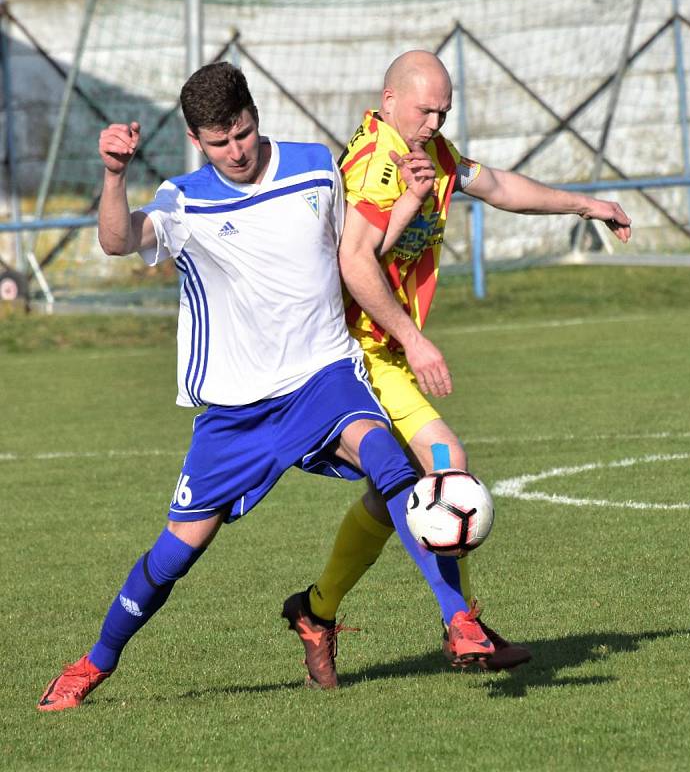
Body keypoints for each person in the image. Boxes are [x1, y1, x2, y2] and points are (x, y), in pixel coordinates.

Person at [36, 61, 505, 711]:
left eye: (243, 133)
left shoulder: (315, 166)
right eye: (218, 141)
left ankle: (457, 620)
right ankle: (94, 663)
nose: (234, 151)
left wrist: (407, 202)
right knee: (177, 552)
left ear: (255, 117)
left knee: (389, 462)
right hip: (235, 408)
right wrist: (114, 175)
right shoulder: (184, 197)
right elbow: (118, 241)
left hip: (323, 375)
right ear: (197, 140)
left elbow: (354, 256)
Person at [283, 50, 632, 684]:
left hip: (381, 348)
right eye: (426, 109)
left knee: (393, 496)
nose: (436, 120)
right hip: (354, 353)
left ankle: (316, 611)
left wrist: (584, 204)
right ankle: (462, 622)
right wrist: (414, 339)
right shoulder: (374, 165)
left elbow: (495, 184)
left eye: (445, 110)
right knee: (447, 464)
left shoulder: (431, 151)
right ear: (389, 101)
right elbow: (353, 263)